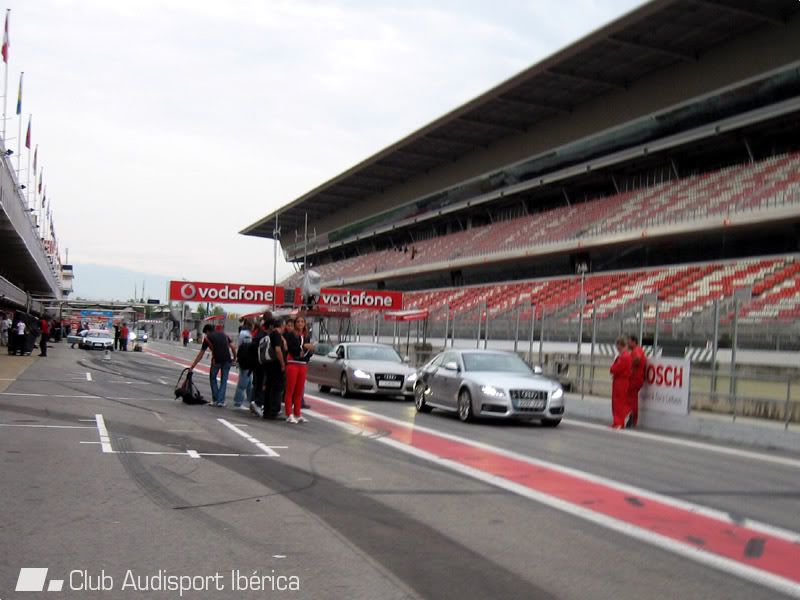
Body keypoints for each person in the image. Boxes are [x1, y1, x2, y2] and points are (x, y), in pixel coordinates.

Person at [189, 324, 236, 407]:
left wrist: (192, 366)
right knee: (224, 380)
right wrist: (234, 358)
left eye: (205, 333)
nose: (206, 335)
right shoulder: (224, 335)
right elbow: (232, 347)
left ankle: (216, 399)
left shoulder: (207, 338)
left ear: (207, 331)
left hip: (216, 361)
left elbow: (201, 354)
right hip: (227, 360)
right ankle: (221, 401)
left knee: (213, 378)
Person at [283, 316, 314, 423]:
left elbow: (308, 352)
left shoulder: (306, 336)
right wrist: (305, 347)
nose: (300, 324)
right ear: (295, 324)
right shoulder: (291, 335)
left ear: (305, 324)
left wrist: (309, 350)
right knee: (290, 390)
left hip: (302, 364)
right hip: (292, 363)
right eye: (298, 322)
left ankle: (297, 413)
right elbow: (293, 349)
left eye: (302, 322)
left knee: (299, 391)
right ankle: (289, 414)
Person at [263, 317, 286, 419]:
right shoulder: (276, 335)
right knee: (277, 388)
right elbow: (278, 349)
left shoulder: (272, 334)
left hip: (270, 364)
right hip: (276, 365)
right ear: (281, 325)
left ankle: (267, 411)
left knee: (269, 386)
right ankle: (274, 411)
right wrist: (282, 363)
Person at [609, 336, 632, 429]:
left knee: (618, 402)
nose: (617, 347)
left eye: (617, 345)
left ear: (620, 345)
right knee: (618, 402)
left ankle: (618, 422)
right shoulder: (624, 356)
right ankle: (619, 422)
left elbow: (615, 368)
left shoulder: (624, 356)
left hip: (621, 381)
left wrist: (612, 368)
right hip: (621, 380)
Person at [232, 319, 254, 410]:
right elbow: (247, 347)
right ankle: (238, 402)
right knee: (243, 383)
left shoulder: (243, 333)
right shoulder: (246, 334)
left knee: (249, 383)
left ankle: (251, 401)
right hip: (246, 361)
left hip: (244, 360)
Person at [627, 335, 647, 428]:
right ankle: (632, 418)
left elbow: (637, 359)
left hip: (635, 378)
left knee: (632, 399)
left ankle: (632, 418)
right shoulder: (637, 350)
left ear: (634, 342)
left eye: (629, 342)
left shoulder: (636, 350)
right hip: (636, 378)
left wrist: (629, 364)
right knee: (632, 398)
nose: (628, 344)